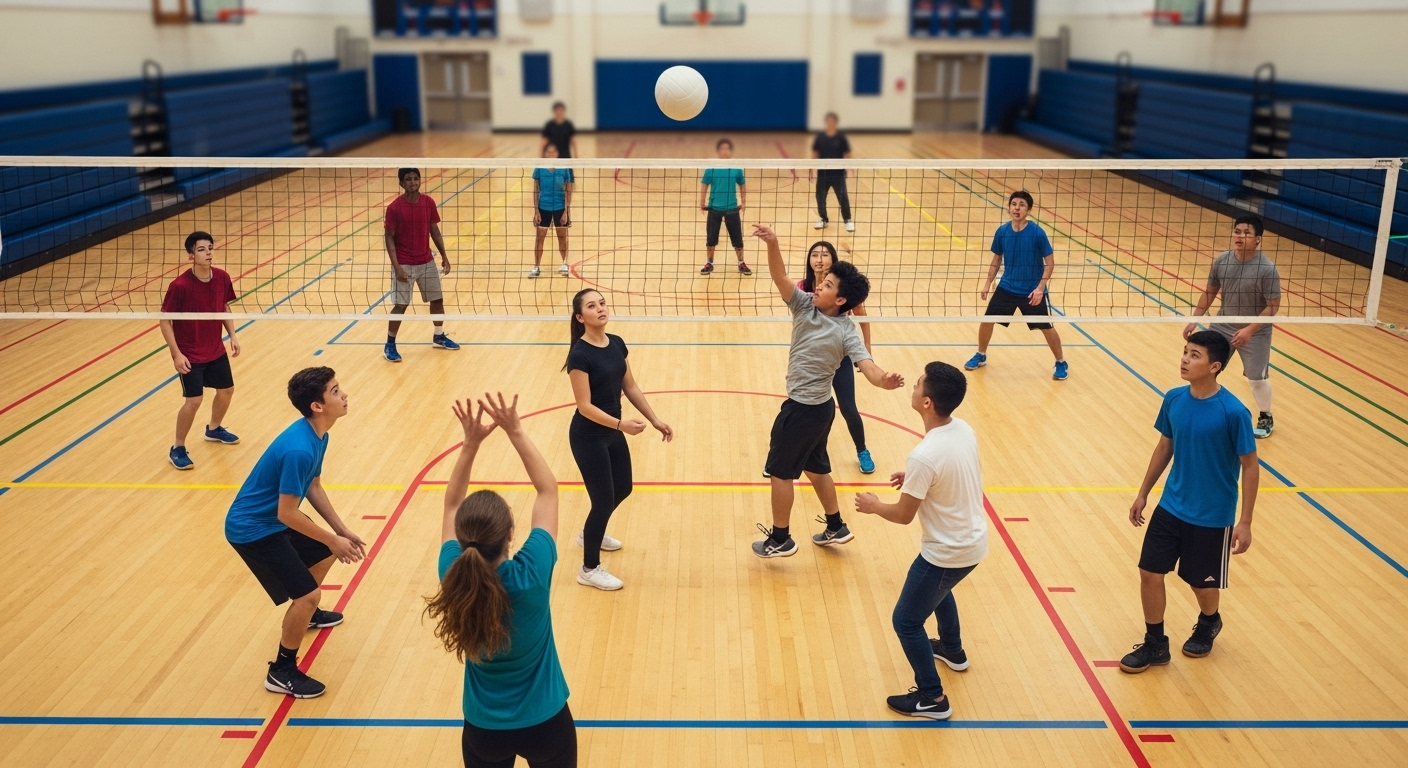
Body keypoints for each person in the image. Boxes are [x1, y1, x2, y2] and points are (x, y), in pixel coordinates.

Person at [425, 393, 577, 768]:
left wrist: (470, 445)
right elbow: (548, 490)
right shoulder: (533, 572)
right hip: (546, 723)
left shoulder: (453, 574)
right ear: (511, 534)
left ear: (461, 541)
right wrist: (516, 431)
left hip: (484, 729)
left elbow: (450, 504)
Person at [752, 224, 903, 558]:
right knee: (816, 467)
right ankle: (835, 525)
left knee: (780, 472)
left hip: (803, 411)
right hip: (821, 410)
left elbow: (868, 367)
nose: (819, 286)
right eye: (822, 282)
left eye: (828, 285)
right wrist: (773, 243)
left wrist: (884, 380)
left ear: (841, 299)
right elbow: (779, 276)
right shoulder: (805, 305)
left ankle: (781, 538)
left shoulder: (848, 331)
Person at [1119, 331, 1258, 674]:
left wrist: (1245, 522)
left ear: (1214, 366)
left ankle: (1209, 620)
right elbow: (1165, 445)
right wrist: (1143, 492)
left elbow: (1250, 465)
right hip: (1172, 506)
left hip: (1212, 515)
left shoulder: (1233, 412)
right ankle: (1155, 644)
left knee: (1201, 583)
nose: (1184, 359)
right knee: (1149, 573)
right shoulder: (1174, 399)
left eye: (1194, 355)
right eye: (1185, 352)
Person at [856, 361, 987, 721]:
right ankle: (952, 650)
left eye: (917, 385)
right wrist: (914, 480)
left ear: (927, 402)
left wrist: (874, 505)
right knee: (940, 590)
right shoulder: (962, 429)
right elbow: (948, 474)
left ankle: (932, 698)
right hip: (972, 543)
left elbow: (902, 515)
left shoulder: (925, 456)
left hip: (948, 550)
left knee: (906, 621)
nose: (912, 389)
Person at [225, 367, 366, 699]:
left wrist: (340, 530)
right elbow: (286, 512)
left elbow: (313, 485)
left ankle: (308, 615)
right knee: (307, 593)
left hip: (273, 521)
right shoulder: (299, 448)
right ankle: (282, 670)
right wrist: (331, 537)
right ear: (317, 406)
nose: (343, 394)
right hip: (253, 530)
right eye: (334, 391)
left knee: (328, 548)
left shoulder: (318, 435)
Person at [564, 289, 673, 589]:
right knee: (602, 500)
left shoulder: (617, 344)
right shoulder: (579, 356)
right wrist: (621, 424)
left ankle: (591, 534)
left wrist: (655, 419)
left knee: (623, 488)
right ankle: (588, 568)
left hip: (612, 431)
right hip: (588, 436)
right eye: (591, 306)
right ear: (579, 317)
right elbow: (584, 406)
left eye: (601, 303)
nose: (600, 309)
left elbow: (632, 387)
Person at [1183, 214, 1281, 438]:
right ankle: (1200, 407)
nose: (1240, 236)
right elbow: (1209, 292)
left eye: (1246, 233)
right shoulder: (1222, 260)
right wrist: (1194, 319)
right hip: (1223, 324)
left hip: (1256, 330)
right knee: (1205, 367)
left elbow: (1272, 307)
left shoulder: (1267, 269)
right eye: (1237, 231)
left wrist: (1249, 330)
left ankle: (1266, 416)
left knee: (1256, 378)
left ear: (1258, 239)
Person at [965, 190, 1067, 381]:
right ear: (1009, 207)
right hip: (1007, 286)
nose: (1017, 208)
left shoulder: (1037, 233)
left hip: (1032, 291)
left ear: (1029, 210)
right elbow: (996, 260)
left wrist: (1040, 288)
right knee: (987, 319)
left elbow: (1050, 263)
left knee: (1046, 327)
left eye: (1021, 205)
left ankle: (1061, 362)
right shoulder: (1002, 231)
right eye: (1014, 204)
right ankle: (981, 354)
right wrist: (988, 282)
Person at [159, 231, 240, 470]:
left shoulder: (222, 278)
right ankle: (178, 448)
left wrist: (233, 335)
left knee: (226, 391)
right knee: (194, 400)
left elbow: (223, 307)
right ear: (190, 256)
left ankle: (214, 429)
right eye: (202, 249)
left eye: (210, 248)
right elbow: (165, 321)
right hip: (190, 353)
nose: (208, 253)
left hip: (215, 349)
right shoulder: (180, 286)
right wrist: (176, 354)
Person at [384, 167, 458, 363]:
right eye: (408, 179)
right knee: (400, 305)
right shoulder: (394, 208)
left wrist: (444, 256)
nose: (412, 182)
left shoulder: (428, 203)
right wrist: (397, 267)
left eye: (415, 178)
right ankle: (390, 344)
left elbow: (434, 230)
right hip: (404, 263)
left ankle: (439, 335)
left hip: (426, 261)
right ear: (401, 183)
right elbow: (389, 238)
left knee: (437, 300)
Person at [698, 138, 751, 275]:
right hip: (714, 208)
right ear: (718, 151)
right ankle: (709, 263)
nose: (725, 151)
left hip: (732, 208)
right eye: (722, 149)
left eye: (727, 148)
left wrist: (744, 201)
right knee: (711, 238)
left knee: (737, 239)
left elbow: (742, 184)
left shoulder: (736, 168)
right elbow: (704, 184)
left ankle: (741, 263)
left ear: (730, 151)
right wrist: (702, 201)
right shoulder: (711, 168)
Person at [530, 144, 574, 278]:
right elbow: (536, 190)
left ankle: (564, 264)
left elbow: (568, 190)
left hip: (560, 208)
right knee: (539, 239)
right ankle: (536, 267)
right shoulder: (539, 168)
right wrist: (536, 210)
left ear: (557, 153)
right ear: (545, 154)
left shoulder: (564, 168)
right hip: (544, 207)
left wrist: (567, 211)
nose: (550, 154)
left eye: (553, 151)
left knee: (562, 237)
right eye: (548, 152)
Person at [811, 112, 854, 233]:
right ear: (826, 123)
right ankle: (823, 219)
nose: (830, 123)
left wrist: (851, 169)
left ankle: (848, 221)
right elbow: (815, 153)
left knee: (843, 198)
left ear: (836, 123)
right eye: (828, 121)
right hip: (823, 174)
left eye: (832, 121)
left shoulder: (841, 138)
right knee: (820, 198)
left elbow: (848, 154)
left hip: (838, 175)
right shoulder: (820, 138)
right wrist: (810, 167)